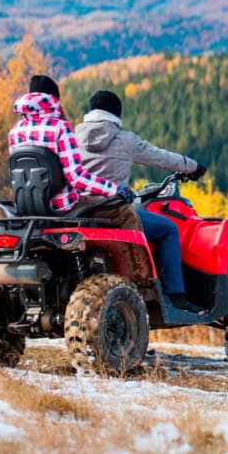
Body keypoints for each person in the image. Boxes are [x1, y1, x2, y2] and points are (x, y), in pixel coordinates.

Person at [75, 90, 206, 302]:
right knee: (169, 229)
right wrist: (192, 167)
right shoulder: (125, 140)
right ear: (116, 114)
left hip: (80, 212)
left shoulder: (72, 139)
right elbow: (160, 157)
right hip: (113, 211)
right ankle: (175, 294)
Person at [8, 76, 137, 222]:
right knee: (124, 211)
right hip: (64, 207)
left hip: (28, 208)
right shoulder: (60, 128)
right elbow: (76, 177)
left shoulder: (15, 131)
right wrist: (115, 189)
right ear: (53, 101)